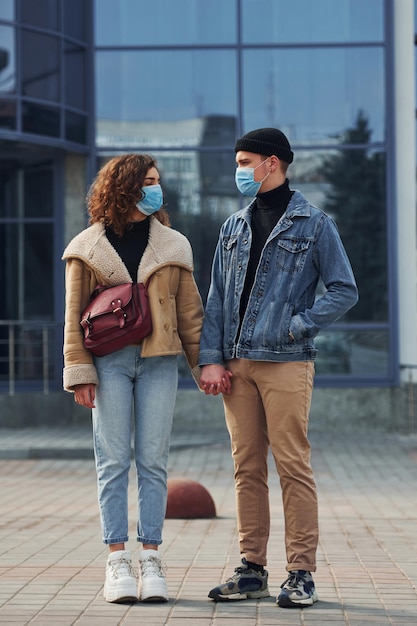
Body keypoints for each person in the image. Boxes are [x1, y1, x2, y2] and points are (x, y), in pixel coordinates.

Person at [199, 128, 358, 608]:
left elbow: (343, 289)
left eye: (246, 161)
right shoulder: (233, 226)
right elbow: (217, 299)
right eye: (238, 161)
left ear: (273, 163)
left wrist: (298, 325)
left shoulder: (315, 223)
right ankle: (252, 569)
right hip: (236, 363)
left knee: (292, 466)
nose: (240, 170)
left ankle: (301, 573)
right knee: (246, 468)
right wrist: (210, 358)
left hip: (286, 362)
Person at [62, 154, 203, 604]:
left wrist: (207, 368)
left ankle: (152, 558)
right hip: (108, 365)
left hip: (160, 361)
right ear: (124, 187)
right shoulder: (86, 248)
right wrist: (79, 373)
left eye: (157, 181)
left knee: (153, 460)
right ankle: (117, 561)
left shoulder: (175, 245)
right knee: (113, 461)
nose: (155, 188)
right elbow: (72, 319)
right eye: (147, 181)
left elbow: (190, 316)